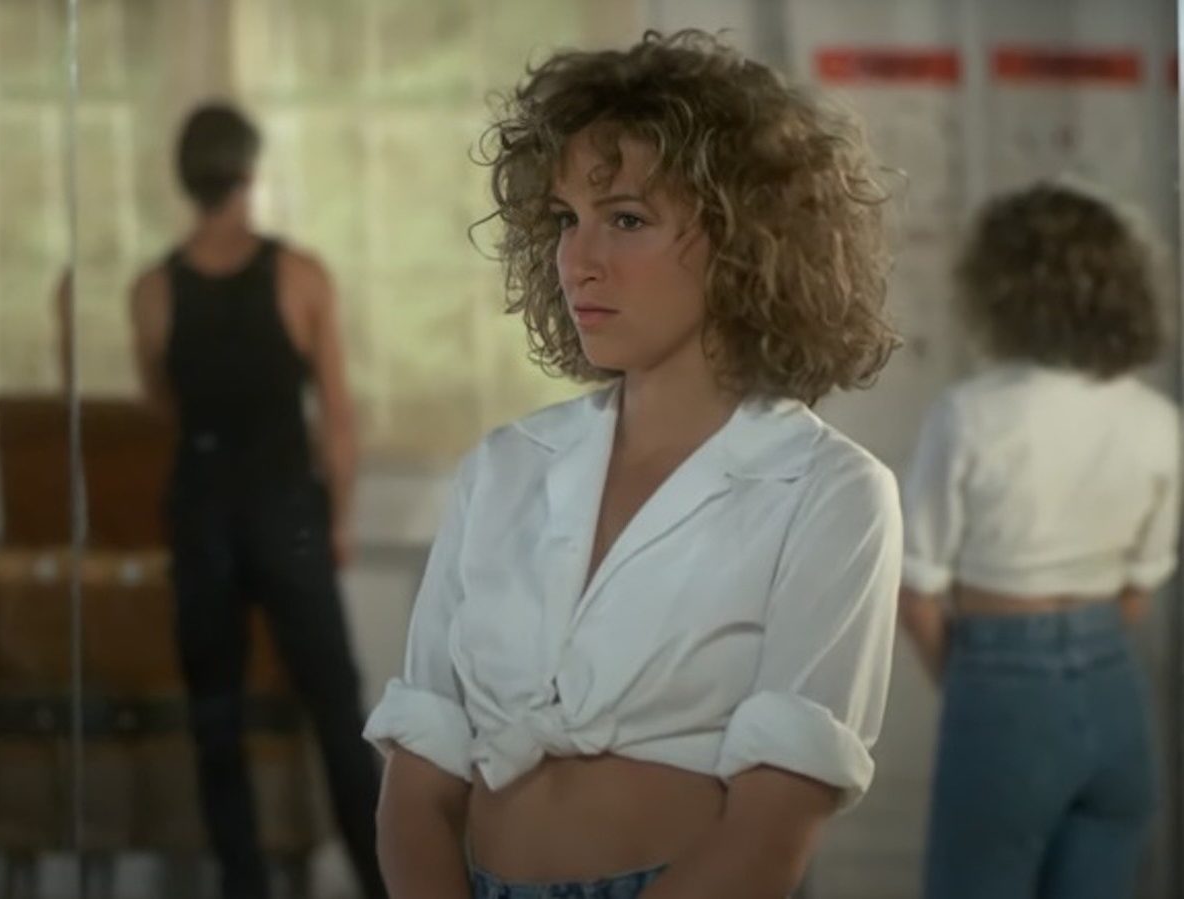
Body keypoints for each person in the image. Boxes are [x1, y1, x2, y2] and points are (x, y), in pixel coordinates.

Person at [363, 30, 903, 899]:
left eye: (625, 219)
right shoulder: (504, 468)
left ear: (745, 239)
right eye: (565, 221)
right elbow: (417, 783)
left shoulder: (829, 490)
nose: (579, 261)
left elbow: (770, 835)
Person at [122, 103, 385, 899]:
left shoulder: (153, 290)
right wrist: (341, 518)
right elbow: (336, 415)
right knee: (335, 709)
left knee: (217, 720)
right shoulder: (300, 276)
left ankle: (244, 884)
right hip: (283, 508)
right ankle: (383, 883)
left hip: (203, 505)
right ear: (247, 173)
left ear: (185, 178)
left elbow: (163, 402)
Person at [899, 182, 1180, 899]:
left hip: (1002, 684)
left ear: (997, 287)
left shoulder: (969, 414)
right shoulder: (1156, 420)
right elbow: (1139, 589)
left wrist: (976, 683)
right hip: (1115, 689)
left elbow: (918, 591)